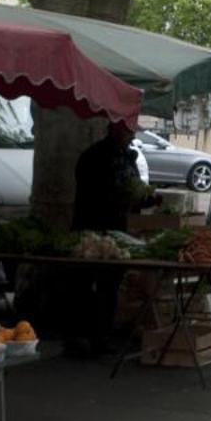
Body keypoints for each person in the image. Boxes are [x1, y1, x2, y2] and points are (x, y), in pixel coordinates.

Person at [65, 121, 137, 359]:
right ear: (114, 130)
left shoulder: (128, 157)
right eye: (127, 131)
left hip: (116, 232)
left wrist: (143, 199)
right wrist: (120, 196)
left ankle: (101, 337)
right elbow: (93, 193)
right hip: (90, 229)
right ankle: (77, 337)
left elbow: (134, 190)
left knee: (110, 287)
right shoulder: (94, 157)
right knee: (82, 286)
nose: (131, 136)